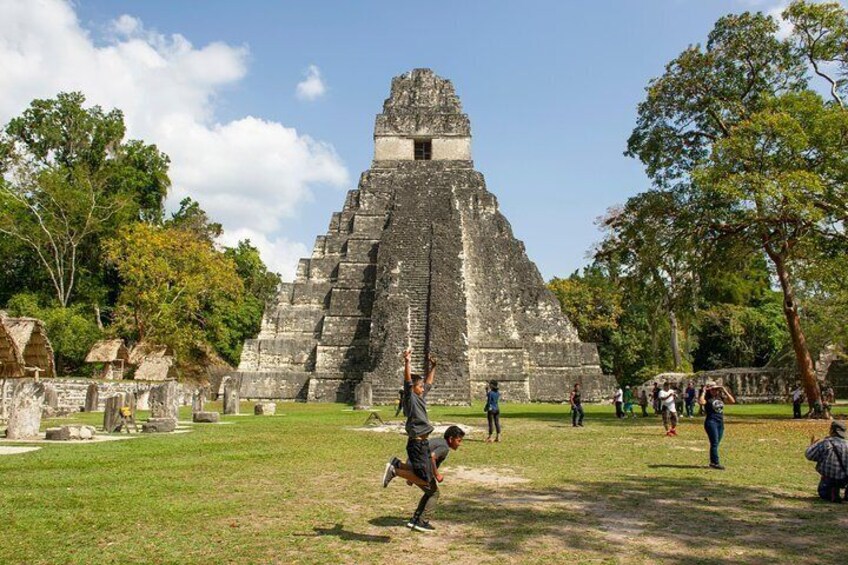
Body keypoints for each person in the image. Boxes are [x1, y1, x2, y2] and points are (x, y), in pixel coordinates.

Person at [385, 425, 466, 532]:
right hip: (420, 468)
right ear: (451, 439)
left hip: (415, 464)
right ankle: (421, 522)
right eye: (458, 440)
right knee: (434, 493)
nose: (460, 444)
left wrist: (411, 476)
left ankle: (415, 519)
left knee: (430, 492)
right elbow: (432, 457)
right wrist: (437, 475)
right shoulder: (444, 447)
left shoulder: (439, 441)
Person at [382, 349, 437, 490]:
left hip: (423, 443)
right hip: (416, 444)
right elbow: (407, 382)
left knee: (427, 475)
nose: (423, 389)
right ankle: (394, 470)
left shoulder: (419, 397)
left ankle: (397, 464)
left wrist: (433, 367)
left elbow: (429, 383)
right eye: (420, 387)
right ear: (413, 388)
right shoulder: (410, 398)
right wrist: (407, 362)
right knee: (424, 479)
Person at [805, 420, 848, 503]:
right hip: (845, 478)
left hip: (829, 477)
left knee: (823, 493)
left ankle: (831, 492)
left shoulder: (826, 443)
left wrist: (812, 445)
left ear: (832, 430)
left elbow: (809, 455)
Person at [699, 381, 736, 470]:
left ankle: (713, 462)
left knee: (715, 443)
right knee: (714, 443)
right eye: (713, 389)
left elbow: (732, 401)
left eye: (716, 389)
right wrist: (704, 391)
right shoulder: (707, 398)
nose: (715, 391)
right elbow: (701, 402)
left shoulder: (719, 397)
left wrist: (724, 390)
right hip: (711, 422)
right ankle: (715, 463)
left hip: (720, 422)